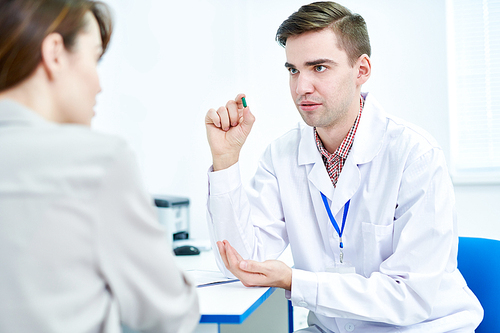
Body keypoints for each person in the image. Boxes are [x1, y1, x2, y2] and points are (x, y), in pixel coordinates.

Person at [204, 2, 483, 332]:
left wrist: (297, 282)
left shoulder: (415, 156)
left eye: (319, 68)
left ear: (361, 70)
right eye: (293, 70)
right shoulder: (281, 156)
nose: (301, 87)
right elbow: (238, 262)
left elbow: (408, 296)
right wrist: (225, 161)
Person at [0, 1, 199, 332]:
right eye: (96, 59)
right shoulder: (96, 161)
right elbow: (171, 314)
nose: (99, 84)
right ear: (55, 53)